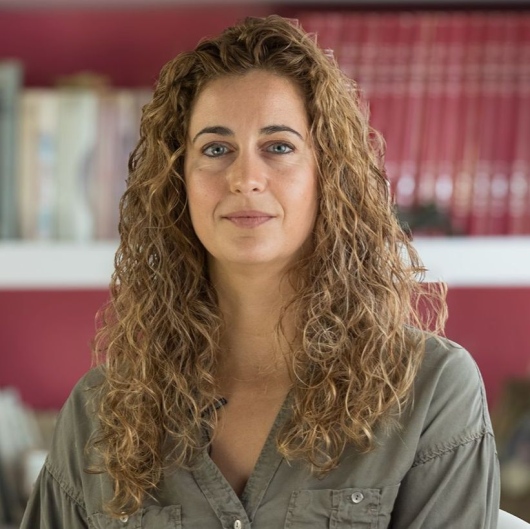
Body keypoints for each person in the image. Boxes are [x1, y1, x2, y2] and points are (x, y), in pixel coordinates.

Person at [21, 15, 500, 528]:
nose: (246, 178)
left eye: (278, 147)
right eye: (216, 149)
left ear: (327, 174)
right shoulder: (101, 412)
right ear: (178, 181)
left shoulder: (430, 389)